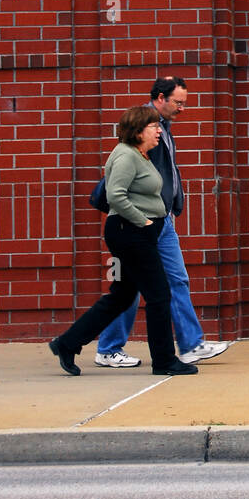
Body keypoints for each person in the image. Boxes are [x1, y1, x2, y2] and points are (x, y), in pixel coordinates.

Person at [50, 107, 198, 376]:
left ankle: (67, 343)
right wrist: (144, 221)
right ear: (139, 130)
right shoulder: (125, 156)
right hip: (130, 232)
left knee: (122, 296)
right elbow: (115, 195)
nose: (159, 131)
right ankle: (165, 361)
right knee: (159, 295)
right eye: (154, 126)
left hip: (137, 232)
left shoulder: (141, 154)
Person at [95, 77, 229, 367]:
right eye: (178, 102)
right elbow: (122, 182)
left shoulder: (162, 128)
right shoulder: (144, 128)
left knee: (176, 279)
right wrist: (140, 218)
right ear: (159, 97)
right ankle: (108, 348)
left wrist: (170, 206)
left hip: (161, 220)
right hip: (141, 223)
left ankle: (191, 344)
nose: (182, 109)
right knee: (129, 287)